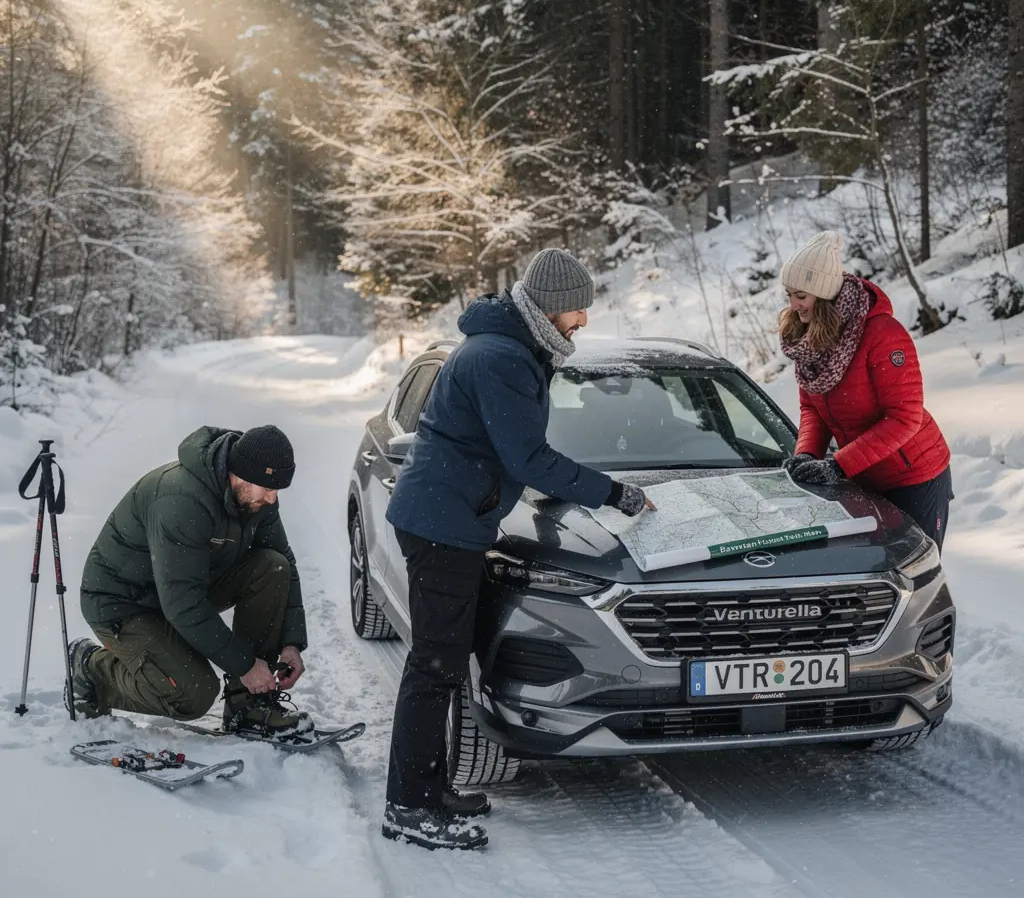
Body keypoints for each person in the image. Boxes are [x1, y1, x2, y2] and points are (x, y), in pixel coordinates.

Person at [382, 248, 655, 851]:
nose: (583, 321)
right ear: (551, 307)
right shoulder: (500, 357)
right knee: (433, 667)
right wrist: (614, 494)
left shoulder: (512, 347)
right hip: (442, 524)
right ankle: (407, 805)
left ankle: (430, 790)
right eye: (577, 310)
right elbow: (528, 457)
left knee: (447, 663)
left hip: (451, 518)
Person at [68, 425, 315, 741]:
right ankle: (93, 670)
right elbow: (182, 604)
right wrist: (245, 665)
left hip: (180, 590)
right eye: (267, 488)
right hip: (123, 603)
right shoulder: (181, 500)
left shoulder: (257, 498)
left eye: (278, 489)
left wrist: (291, 642)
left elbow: (284, 560)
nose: (272, 498)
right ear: (239, 474)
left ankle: (248, 706)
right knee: (193, 695)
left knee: (273, 567)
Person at [778, 231, 952, 549]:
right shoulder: (811, 339)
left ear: (823, 294)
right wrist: (806, 453)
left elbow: (905, 417)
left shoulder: (882, 334)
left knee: (916, 569)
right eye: (788, 295)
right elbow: (812, 408)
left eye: (800, 295)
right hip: (863, 475)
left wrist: (839, 464)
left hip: (914, 477)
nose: (793, 306)